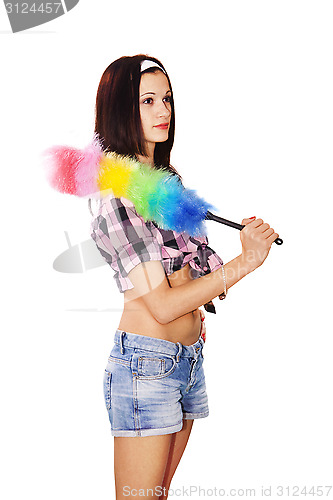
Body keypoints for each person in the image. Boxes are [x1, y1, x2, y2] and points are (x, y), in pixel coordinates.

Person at [88, 54, 279, 499]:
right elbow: (162, 303)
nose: (163, 111)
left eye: (167, 99)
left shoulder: (167, 182)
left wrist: (192, 283)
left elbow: (187, 279)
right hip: (146, 365)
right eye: (147, 101)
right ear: (119, 109)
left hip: (186, 361)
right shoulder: (117, 191)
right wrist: (245, 262)